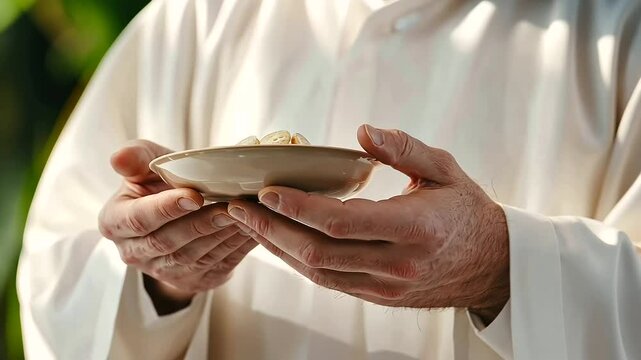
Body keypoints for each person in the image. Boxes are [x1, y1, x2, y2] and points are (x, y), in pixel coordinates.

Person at [17, 0, 641, 359]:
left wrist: (501, 266)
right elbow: (58, 274)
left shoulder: (619, 28)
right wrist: (159, 280)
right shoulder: (196, 17)